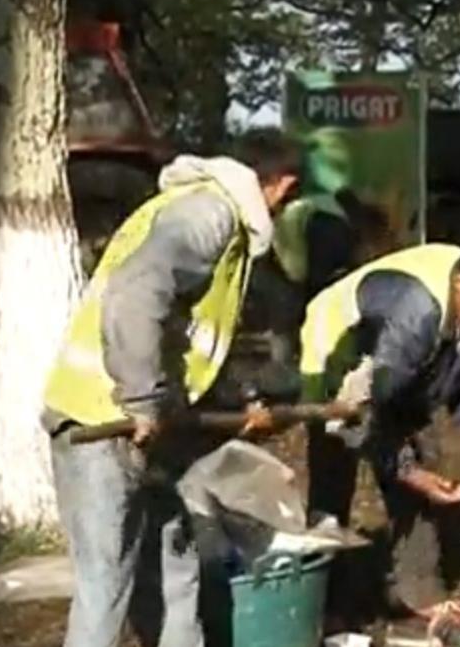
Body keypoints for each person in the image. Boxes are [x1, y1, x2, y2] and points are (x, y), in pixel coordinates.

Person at [40, 128, 303, 647]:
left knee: (174, 565)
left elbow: (192, 336)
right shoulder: (208, 215)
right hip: (102, 418)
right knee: (106, 582)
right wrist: (140, 398)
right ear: (282, 185)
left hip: (150, 422)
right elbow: (134, 296)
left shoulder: (214, 220)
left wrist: (242, 396)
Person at [289, 243, 460, 622]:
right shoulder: (417, 313)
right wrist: (408, 471)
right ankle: (321, 597)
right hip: (341, 353)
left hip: (397, 364)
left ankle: (417, 592)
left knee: (417, 479)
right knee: (335, 476)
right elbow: (367, 416)